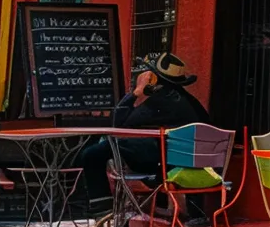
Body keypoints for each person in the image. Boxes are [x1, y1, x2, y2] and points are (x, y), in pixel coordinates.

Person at [75, 52, 208, 209]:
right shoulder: (189, 102)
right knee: (112, 147)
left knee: (92, 154)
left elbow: (119, 124)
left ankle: (102, 212)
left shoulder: (162, 100)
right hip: (191, 165)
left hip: (165, 166)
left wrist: (136, 93)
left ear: (153, 78)